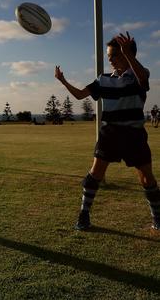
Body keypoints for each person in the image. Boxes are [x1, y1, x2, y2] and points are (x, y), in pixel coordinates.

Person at [55, 32, 159, 230]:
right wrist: (63, 80)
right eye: (109, 56)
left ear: (127, 54)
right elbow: (79, 96)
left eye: (113, 55)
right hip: (109, 134)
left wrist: (129, 55)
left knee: (147, 178)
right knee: (95, 174)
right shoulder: (103, 80)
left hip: (134, 135)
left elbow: (143, 81)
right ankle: (84, 215)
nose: (109, 60)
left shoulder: (139, 74)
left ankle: (157, 218)